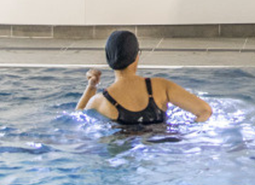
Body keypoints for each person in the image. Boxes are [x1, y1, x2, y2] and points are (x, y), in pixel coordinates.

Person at [77, 29, 212, 127]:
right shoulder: (161, 87)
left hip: (122, 154)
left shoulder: (100, 101)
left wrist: (91, 86)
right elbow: (205, 111)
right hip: (160, 150)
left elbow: (78, 117)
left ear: (108, 58)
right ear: (137, 56)